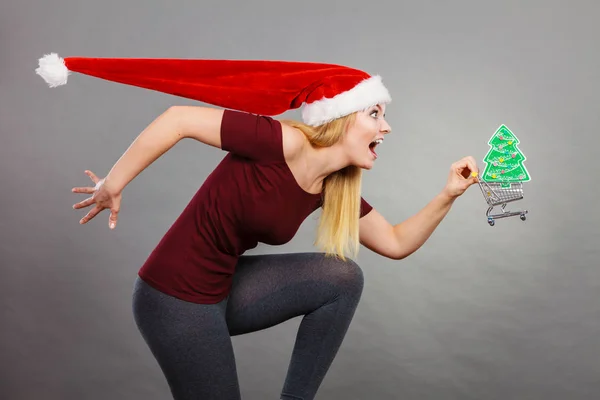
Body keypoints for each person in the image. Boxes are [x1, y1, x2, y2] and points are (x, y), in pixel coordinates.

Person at [36, 53, 480, 400]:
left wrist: (447, 195)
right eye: (375, 115)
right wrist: (114, 184)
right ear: (342, 119)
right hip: (173, 300)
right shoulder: (280, 141)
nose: (387, 127)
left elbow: (397, 243)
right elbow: (179, 119)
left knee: (343, 277)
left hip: (221, 292)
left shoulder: (331, 186)